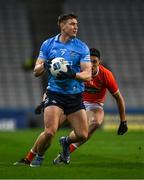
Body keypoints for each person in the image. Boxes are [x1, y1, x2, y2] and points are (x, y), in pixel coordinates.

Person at [14, 13, 91, 167]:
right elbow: (36, 71)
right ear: (62, 26)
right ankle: (38, 157)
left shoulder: (82, 47)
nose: (76, 27)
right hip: (55, 93)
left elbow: (87, 75)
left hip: (74, 96)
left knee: (83, 134)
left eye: (76, 24)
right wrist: (46, 65)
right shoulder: (48, 44)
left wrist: (73, 74)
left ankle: (66, 141)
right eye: (72, 24)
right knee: (50, 131)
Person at [53, 48, 128, 164]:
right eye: (89, 61)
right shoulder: (79, 70)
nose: (92, 65)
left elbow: (119, 98)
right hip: (78, 102)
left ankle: (66, 143)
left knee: (95, 123)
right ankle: (37, 155)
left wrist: (123, 121)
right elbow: (59, 85)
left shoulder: (106, 75)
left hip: (95, 105)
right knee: (55, 127)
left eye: (95, 62)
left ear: (99, 62)